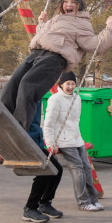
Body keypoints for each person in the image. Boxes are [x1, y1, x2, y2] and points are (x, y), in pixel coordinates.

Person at [1, 0, 112, 133]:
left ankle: (18, 128)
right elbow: (46, 35)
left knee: (27, 86)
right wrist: (41, 23)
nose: (69, 5)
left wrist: (109, 30)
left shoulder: (82, 23)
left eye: (73, 2)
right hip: (37, 53)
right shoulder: (55, 19)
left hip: (54, 58)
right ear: (61, 5)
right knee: (14, 83)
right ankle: (2, 119)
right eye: (66, 2)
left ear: (79, 6)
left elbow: (95, 45)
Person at [44, 71, 103, 212]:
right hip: (64, 141)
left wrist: (79, 137)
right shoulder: (55, 99)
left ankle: (93, 199)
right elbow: (49, 123)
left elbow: (75, 121)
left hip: (76, 138)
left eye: (73, 84)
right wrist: (51, 143)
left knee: (87, 169)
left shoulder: (77, 98)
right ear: (61, 85)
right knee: (78, 170)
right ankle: (83, 202)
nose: (70, 87)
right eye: (67, 84)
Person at [21, 99, 64, 223]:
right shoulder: (28, 95)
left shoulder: (37, 97)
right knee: (45, 170)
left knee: (57, 169)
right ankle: (30, 208)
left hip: (36, 141)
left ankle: (45, 203)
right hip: (27, 142)